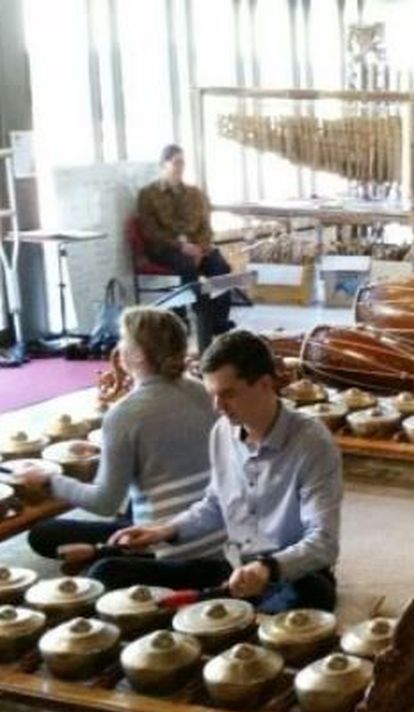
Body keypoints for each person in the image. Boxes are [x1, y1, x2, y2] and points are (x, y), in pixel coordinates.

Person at [93, 330, 343, 612]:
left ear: (264, 384)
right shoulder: (222, 432)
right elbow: (215, 505)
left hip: (291, 575)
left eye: (228, 394)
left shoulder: (313, 443)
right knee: (106, 571)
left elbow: (324, 542)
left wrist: (267, 568)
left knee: (306, 599)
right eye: (212, 395)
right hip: (235, 569)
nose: (217, 407)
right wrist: (166, 530)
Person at [20, 307, 219, 563]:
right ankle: (104, 550)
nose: (119, 345)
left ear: (138, 355)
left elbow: (105, 503)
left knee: (44, 534)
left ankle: (107, 554)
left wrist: (50, 481)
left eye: (124, 339)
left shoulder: (125, 414)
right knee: (128, 510)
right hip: (219, 533)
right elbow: (170, 451)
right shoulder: (204, 390)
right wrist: (105, 451)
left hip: (167, 543)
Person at [136, 144, 235, 353]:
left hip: (197, 248)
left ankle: (218, 322)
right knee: (186, 267)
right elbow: (150, 231)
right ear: (163, 164)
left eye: (183, 163)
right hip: (166, 248)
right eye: (176, 162)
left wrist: (200, 247)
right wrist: (182, 246)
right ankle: (182, 322)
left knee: (221, 267)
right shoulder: (148, 195)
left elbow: (206, 227)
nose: (181, 167)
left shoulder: (194, 194)